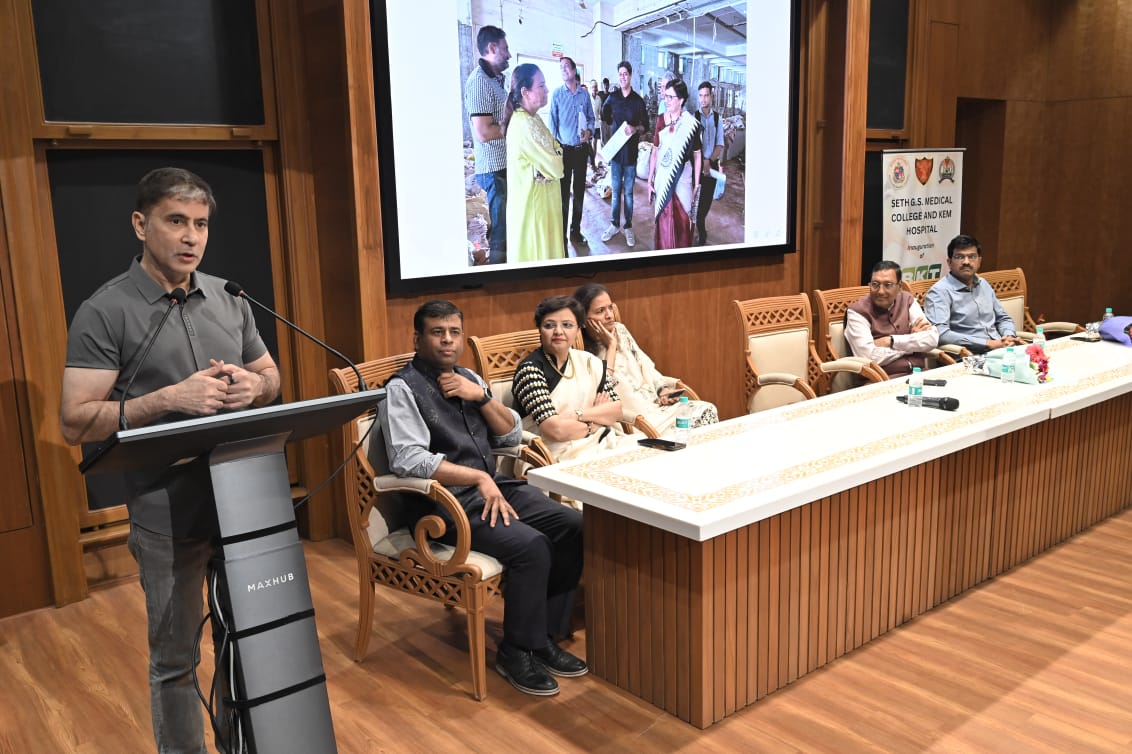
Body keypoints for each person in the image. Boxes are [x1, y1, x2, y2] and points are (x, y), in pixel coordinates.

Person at [60, 167, 281, 752]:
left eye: (201, 224)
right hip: (166, 509)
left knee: (246, 642)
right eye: (176, 221)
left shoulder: (230, 297)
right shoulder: (105, 310)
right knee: (176, 660)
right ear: (141, 224)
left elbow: (270, 375)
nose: (191, 236)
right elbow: (75, 420)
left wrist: (254, 388)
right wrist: (166, 400)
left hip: (243, 500)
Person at [378, 300, 586, 697]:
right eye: (437, 333)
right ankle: (516, 650)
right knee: (532, 546)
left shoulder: (470, 377)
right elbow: (408, 459)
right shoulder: (401, 388)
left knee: (571, 525)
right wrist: (477, 477)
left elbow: (509, 435)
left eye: (454, 332)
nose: (447, 340)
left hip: (492, 489)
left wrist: (482, 397)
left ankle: (543, 638)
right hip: (444, 506)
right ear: (417, 339)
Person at [574, 283, 718, 433]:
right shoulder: (583, 354)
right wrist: (611, 345)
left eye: (610, 308)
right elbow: (604, 389)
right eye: (600, 311)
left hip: (656, 407)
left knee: (706, 409)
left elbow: (645, 365)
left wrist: (662, 390)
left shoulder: (620, 331)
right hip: (635, 421)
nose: (609, 315)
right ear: (584, 320)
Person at [512, 295, 636, 462]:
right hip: (551, 455)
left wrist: (578, 414)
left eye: (567, 325)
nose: (558, 331)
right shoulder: (530, 370)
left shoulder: (589, 361)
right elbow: (556, 431)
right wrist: (595, 423)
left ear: (578, 330)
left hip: (599, 442)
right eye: (549, 325)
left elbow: (615, 410)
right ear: (540, 330)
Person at [504, 63, 565, 263]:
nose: (547, 89)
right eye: (541, 85)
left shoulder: (533, 118)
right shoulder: (525, 125)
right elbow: (557, 167)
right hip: (534, 212)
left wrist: (553, 156)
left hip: (542, 206)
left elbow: (557, 147)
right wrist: (554, 157)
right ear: (525, 92)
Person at [925, 234, 1023, 353]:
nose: (966, 262)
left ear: (979, 261)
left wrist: (1008, 336)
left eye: (972, 257)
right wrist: (987, 344)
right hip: (969, 355)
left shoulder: (983, 284)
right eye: (959, 257)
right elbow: (941, 333)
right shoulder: (939, 292)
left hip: (1000, 349)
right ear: (949, 262)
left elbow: (1003, 318)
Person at [465, 25, 511, 265]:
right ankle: (499, 273)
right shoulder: (479, 82)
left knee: (506, 224)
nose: (509, 54)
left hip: (503, 165)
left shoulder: (495, 80)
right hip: (493, 169)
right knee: (501, 229)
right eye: (505, 49)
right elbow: (483, 132)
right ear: (492, 48)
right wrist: (513, 127)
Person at [845, 260, 940, 377]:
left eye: (888, 285)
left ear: (899, 287)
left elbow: (932, 339)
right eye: (875, 284)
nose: (880, 291)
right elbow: (869, 357)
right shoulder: (857, 312)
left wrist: (890, 341)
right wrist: (911, 342)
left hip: (919, 374)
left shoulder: (908, 300)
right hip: (881, 380)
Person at [647, 78, 702, 250]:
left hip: (683, 177)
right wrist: (649, 179)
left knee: (683, 219)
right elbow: (655, 151)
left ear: (681, 100)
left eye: (671, 97)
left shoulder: (690, 124)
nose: (667, 100)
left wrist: (697, 184)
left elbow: (697, 155)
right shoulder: (661, 120)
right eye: (666, 96)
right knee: (664, 220)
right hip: (663, 177)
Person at [599, 61, 648, 248]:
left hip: (630, 155)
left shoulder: (638, 101)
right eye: (620, 74)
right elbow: (604, 114)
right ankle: (614, 224)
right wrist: (610, 121)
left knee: (628, 193)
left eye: (625, 74)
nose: (622, 77)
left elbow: (645, 126)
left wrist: (635, 129)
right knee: (615, 191)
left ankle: (627, 226)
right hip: (616, 153)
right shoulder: (613, 98)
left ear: (631, 75)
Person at [549, 57, 594, 248]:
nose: (563, 70)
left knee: (579, 192)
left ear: (574, 70)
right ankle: (561, 235)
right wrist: (555, 150)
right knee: (563, 193)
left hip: (581, 150)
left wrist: (589, 132)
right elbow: (552, 125)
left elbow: (591, 118)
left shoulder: (584, 95)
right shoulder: (557, 94)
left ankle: (575, 231)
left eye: (566, 66)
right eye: (560, 68)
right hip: (565, 152)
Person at [693, 81, 726, 246]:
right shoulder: (694, 117)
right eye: (701, 95)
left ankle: (701, 231)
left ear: (711, 96)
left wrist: (709, 160)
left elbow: (720, 144)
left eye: (706, 95)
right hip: (696, 166)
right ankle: (698, 230)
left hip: (710, 166)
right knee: (694, 201)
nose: (703, 99)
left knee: (705, 202)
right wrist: (701, 162)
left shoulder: (718, 118)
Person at [587, 78, 603, 168]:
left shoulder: (599, 99)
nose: (594, 88)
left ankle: (593, 162)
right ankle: (591, 162)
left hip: (596, 124)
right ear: (590, 88)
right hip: (589, 125)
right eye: (593, 87)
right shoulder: (587, 98)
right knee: (589, 144)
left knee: (595, 143)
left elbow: (600, 111)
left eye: (595, 87)